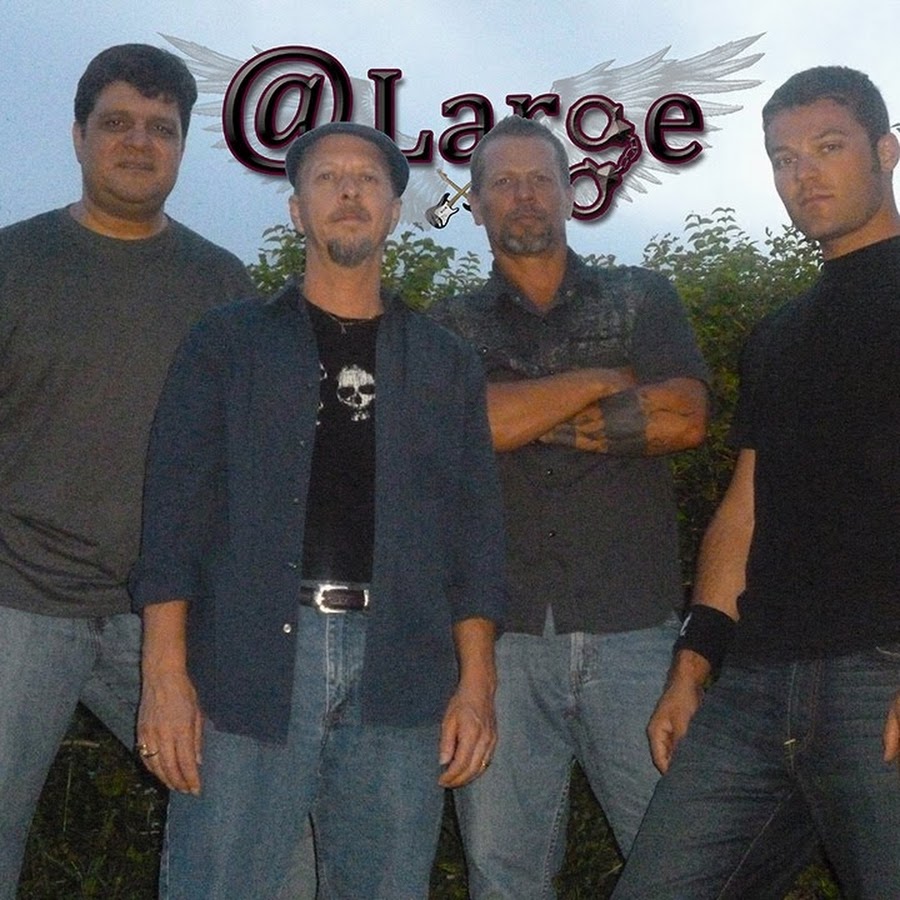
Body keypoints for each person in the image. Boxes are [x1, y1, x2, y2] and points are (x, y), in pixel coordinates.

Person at [129, 120, 506, 899]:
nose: (348, 191)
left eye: (367, 179)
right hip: (250, 664)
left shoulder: (444, 363)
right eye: (327, 178)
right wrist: (165, 677)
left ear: (394, 210)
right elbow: (172, 518)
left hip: (403, 669)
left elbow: (472, 536)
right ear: (298, 210)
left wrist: (477, 684)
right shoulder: (227, 344)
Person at [613, 66, 900, 900]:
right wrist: (692, 665)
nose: (803, 174)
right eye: (782, 158)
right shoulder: (779, 335)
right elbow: (744, 509)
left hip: (880, 675)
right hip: (755, 686)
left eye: (828, 147)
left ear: (886, 151)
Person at [428, 115, 710, 898]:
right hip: (500, 640)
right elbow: (458, 431)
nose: (524, 195)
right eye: (504, 182)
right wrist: (601, 381)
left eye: (540, 179)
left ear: (570, 192)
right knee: (503, 874)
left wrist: (516, 415)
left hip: (636, 631)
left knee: (680, 866)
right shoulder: (447, 324)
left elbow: (686, 417)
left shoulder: (641, 297)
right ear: (476, 204)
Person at [0, 44, 257, 897]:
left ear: (181, 147)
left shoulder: (223, 287)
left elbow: (245, 467)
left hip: (166, 620)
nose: (139, 143)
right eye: (117, 123)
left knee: (248, 824)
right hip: (17, 602)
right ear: (78, 136)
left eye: (162, 128)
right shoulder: (12, 265)